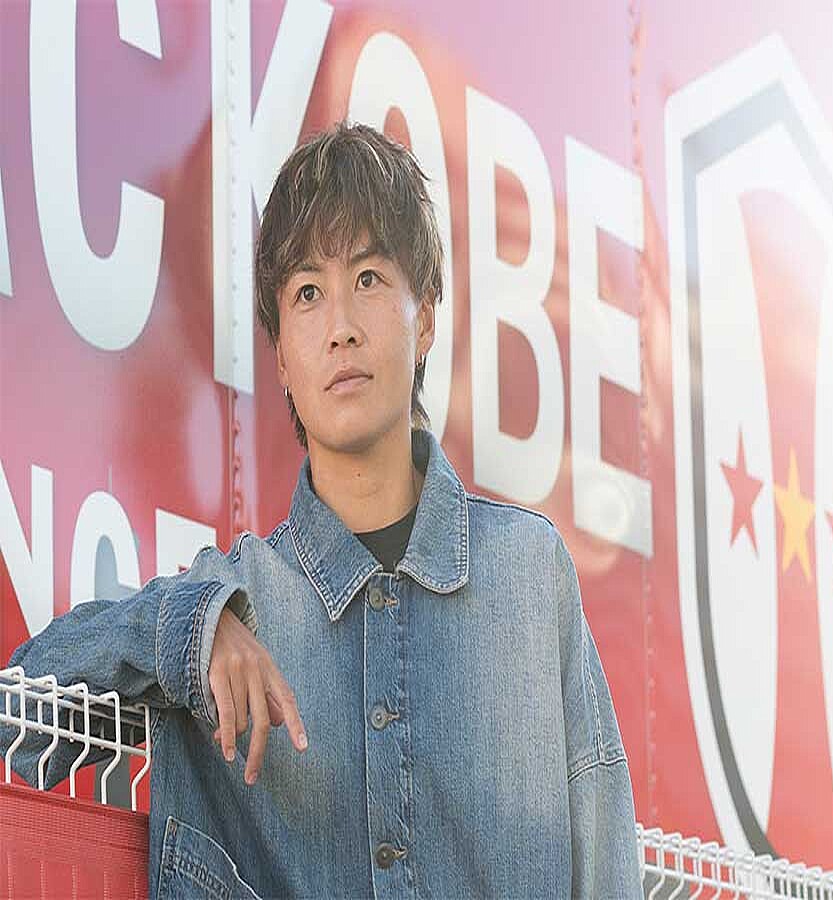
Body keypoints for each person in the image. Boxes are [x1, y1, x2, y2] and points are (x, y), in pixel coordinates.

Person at [1, 121, 643, 899]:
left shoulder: (528, 575)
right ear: (280, 356)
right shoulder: (232, 602)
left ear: (425, 316)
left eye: (369, 279)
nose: (340, 328)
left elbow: (608, 866)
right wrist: (187, 633)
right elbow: (18, 712)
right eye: (308, 294)